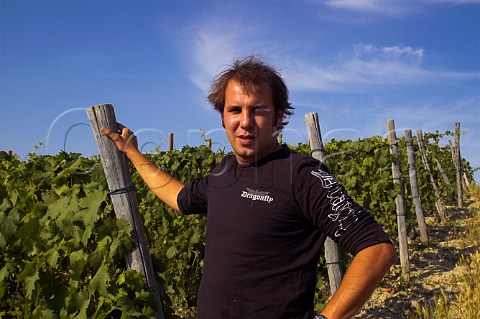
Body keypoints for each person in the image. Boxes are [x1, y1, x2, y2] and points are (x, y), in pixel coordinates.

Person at [102, 55, 397, 319]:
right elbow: (178, 197)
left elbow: (376, 248)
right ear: (222, 117)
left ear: (278, 116)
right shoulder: (223, 172)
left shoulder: (302, 175)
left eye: (257, 110)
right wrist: (132, 152)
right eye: (235, 110)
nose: (245, 122)